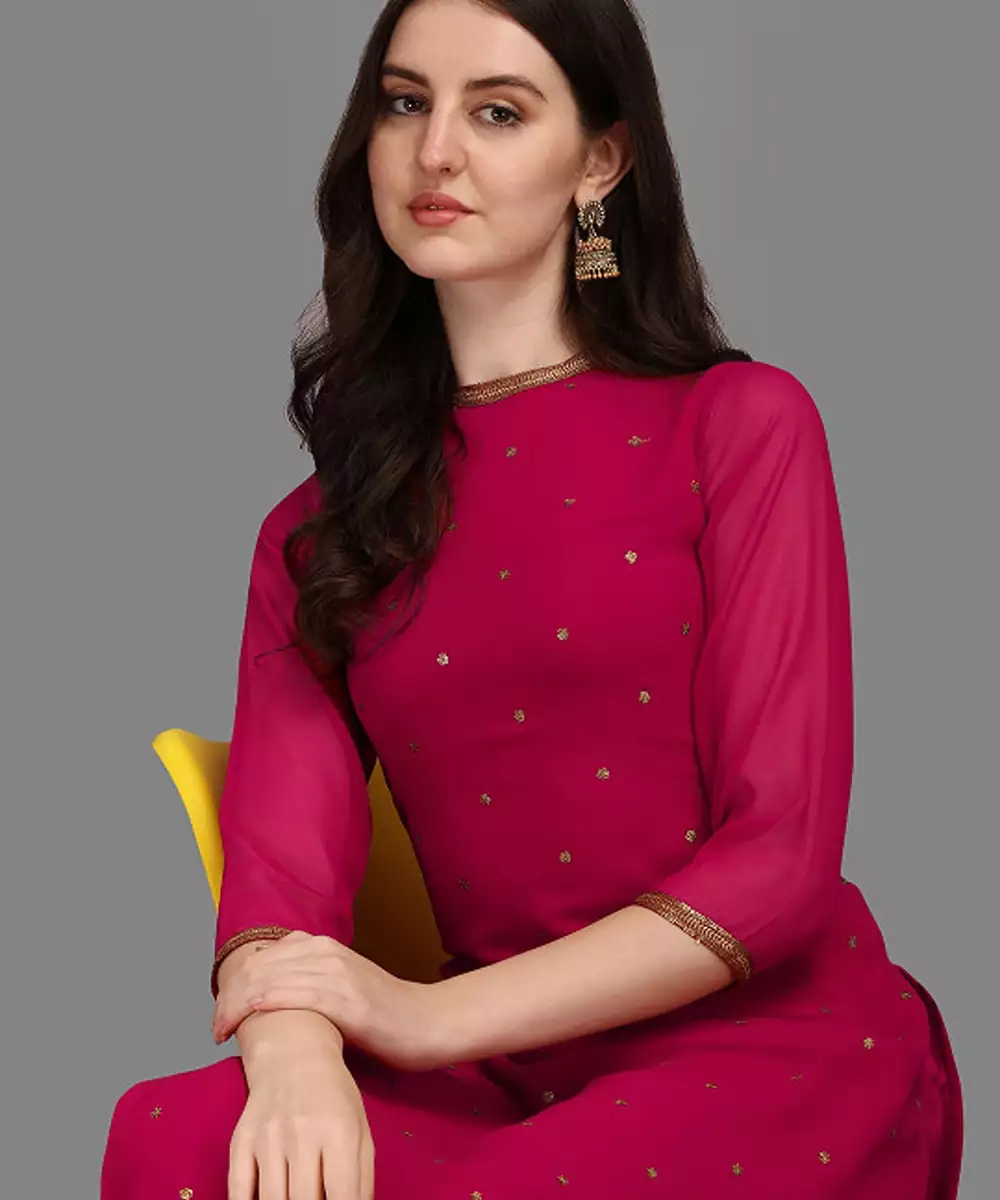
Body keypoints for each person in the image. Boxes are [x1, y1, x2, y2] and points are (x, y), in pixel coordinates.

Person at [100, 0, 964, 1196]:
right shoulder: (317, 533)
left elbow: (780, 861)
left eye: (497, 112)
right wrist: (296, 1059)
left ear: (599, 161)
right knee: (174, 1136)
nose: (435, 150)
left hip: (758, 1043)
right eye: (405, 103)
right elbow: (278, 882)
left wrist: (419, 1018)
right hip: (491, 1069)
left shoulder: (736, 426)